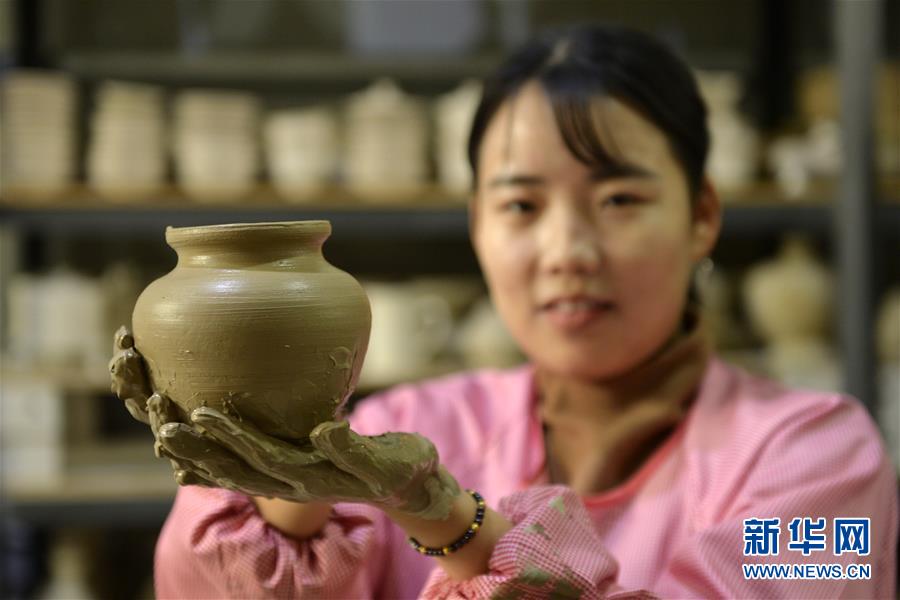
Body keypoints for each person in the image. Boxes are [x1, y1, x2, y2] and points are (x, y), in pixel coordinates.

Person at [110, 25, 897, 599]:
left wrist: (447, 516)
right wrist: (282, 477)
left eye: (619, 199)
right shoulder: (404, 426)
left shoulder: (819, 460)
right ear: (478, 226)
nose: (567, 250)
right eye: (521, 204)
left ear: (702, 216)